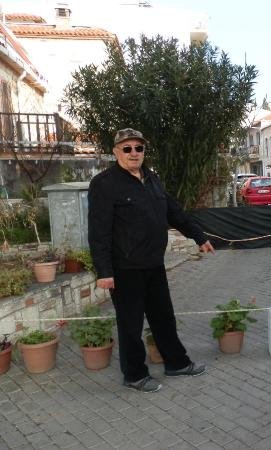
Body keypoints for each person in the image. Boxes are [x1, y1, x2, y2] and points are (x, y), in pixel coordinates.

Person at [88, 128, 215, 393]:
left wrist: (198, 236)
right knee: (130, 325)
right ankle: (134, 375)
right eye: (127, 148)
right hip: (125, 269)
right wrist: (104, 271)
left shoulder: (152, 179)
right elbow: (98, 231)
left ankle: (176, 363)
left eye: (139, 148)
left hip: (154, 264)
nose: (134, 153)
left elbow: (174, 212)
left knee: (163, 318)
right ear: (116, 152)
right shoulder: (104, 184)